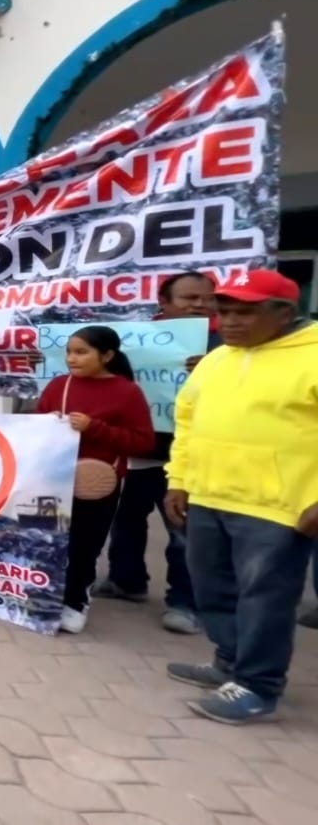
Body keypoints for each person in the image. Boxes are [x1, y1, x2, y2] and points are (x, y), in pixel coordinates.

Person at [163, 269, 318, 725]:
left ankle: (258, 686)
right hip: (209, 495)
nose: (228, 322)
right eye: (223, 311)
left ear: (284, 313)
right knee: (213, 588)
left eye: (243, 313)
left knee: (265, 598)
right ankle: (228, 663)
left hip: (280, 506)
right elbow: (188, 421)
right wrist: (179, 480)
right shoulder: (217, 360)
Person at [95, 270, 219, 635]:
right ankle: (126, 582)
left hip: (187, 454)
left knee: (182, 529)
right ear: (164, 303)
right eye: (190, 298)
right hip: (136, 449)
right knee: (127, 520)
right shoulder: (131, 340)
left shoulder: (226, 345)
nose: (199, 306)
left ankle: (185, 602)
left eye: (205, 298)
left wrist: (215, 369)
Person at [35, 326, 154, 634]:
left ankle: (75, 600)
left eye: (81, 352)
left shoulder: (127, 392)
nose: (72, 358)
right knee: (48, 540)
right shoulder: (58, 385)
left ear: (107, 355)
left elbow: (142, 442)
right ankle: (43, 596)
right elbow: (35, 427)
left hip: (95, 486)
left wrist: (95, 428)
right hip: (53, 479)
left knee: (83, 546)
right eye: (69, 352)